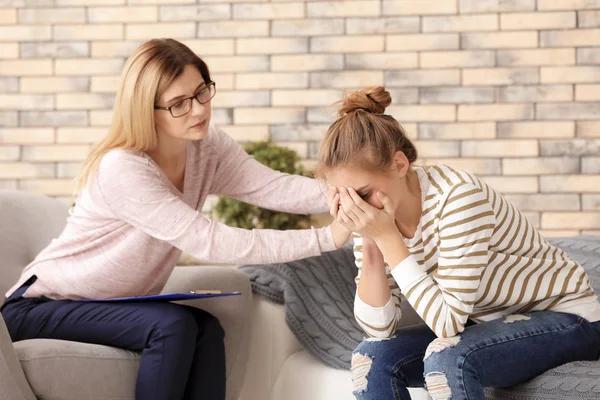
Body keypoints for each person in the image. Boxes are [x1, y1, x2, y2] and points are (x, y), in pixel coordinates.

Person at [1, 38, 350, 400]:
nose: (198, 110)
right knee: (171, 326)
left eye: (201, 93)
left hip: (107, 305)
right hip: (39, 306)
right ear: (145, 110)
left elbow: (272, 187)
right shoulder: (124, 168)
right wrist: (326, 237)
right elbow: (210, 240)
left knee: (207, 329)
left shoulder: (206, 147)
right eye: (178, 104)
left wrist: (352, 193)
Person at [316, 86, 600, 400]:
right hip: (485, 323)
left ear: (399, 164)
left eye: (363, 192)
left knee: (448, 357)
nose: (357, 207)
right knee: (370, 358)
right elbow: (379, 329)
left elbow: (447, 324)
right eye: (344, 197)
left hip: (568, 318)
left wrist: (387, 237)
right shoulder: (373, 216)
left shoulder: (458, 197)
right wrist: (371, 241)